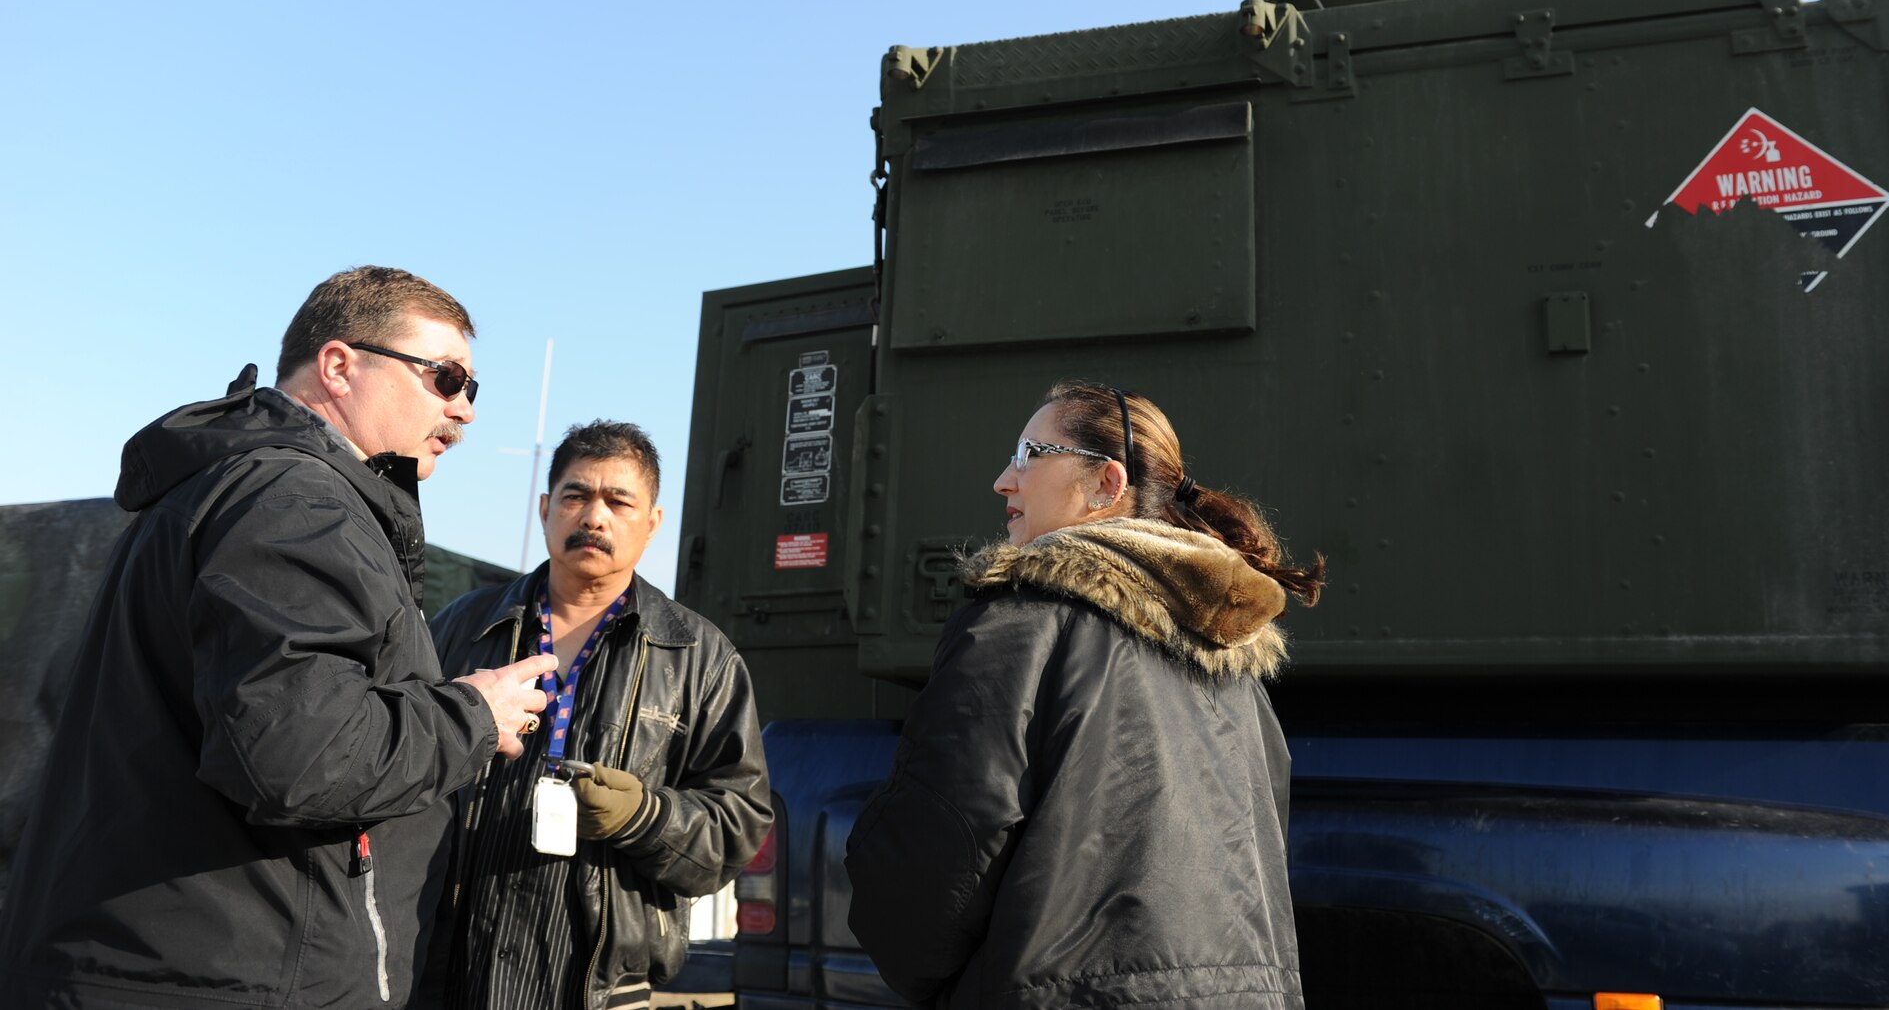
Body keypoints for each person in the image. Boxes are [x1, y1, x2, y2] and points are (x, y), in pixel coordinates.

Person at [0, 266, 556, 1010]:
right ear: (339, 365)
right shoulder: (293, 500)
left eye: (470, 387)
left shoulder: (235, 486)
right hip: (218, 977)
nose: (464, 408)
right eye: (445, 376)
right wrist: (472, 715)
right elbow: (300, 755)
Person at [845, 381, 1323, 1010]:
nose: (1002, 481)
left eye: (1028, 455)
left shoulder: (1019, 625)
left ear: (1107, 483)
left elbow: (937, 853)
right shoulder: (1234, 665)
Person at [426, 420, 772, 1010]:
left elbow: (738, 826)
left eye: (618, 501)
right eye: (576, 496)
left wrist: (642, 816)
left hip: (601, 989)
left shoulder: (698, 657)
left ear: (652, 523)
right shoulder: (460, 627)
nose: (594, 517)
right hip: (447, 974)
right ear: (544, 508)